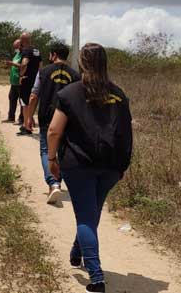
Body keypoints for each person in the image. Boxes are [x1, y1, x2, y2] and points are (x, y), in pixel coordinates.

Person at [47, 43, 133, 293]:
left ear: (82, 63)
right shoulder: (119, 94)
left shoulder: (70, 93)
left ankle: (96, 277)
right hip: (111, 166)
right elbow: (125, 131)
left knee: (86, 216)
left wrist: (52, 160)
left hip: (79, 164)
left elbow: (53, 130)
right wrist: (122, 164)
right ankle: (77, 252)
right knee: (91, 212)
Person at [24, 42, 81, 204]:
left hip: (47, 117)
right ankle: (57, 182)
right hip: (67, 119)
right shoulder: (75, 75)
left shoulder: (43, 72)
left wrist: (28, 117)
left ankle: (53, 182)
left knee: (46, 150)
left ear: (54, 55)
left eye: (50, 54)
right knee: (61, 152)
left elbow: (34, 96)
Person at [17, 32, 41, 135]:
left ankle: (26, 127)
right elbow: (40, 65)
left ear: (22, 41)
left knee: (24, 103)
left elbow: (24, 63)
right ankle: (29, 122)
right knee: (32, 101)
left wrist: (21, 75)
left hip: (26, 80)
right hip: (35, 79)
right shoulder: (36, 50)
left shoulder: (26, 50)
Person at [3, 39, 24, 124]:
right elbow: (14, 66)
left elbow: (23, 66)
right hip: (13, 82)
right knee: (12, 98)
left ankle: (21, 119)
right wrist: (9, 64)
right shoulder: (17, 54)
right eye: (14, 47)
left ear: (20, 45)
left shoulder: (24, 55)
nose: (15, 48)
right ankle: (11, 117)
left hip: (20, 82)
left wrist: (12, 63)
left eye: (16, 47)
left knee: (22, 101)